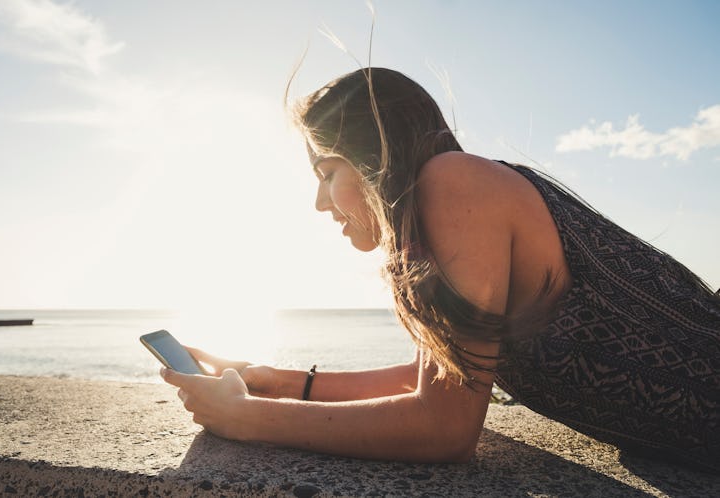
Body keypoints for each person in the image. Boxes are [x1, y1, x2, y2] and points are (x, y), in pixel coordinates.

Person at [161, 68, 720, 472]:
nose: (319, 203)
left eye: (325, 171)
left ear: (374, 154)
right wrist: (277, 381)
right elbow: (438, 374)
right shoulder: (451, 195)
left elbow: (444, 429)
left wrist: (247, 419)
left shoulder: (450, 182)